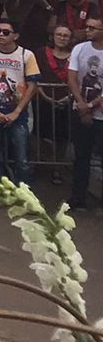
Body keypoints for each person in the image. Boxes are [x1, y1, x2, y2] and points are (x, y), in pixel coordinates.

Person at [0, 16, 41, 205]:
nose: (0, 35)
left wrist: (18, 111)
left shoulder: (26, 55)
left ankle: (24, 195)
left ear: (16, 35)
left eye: (6, 32)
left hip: (17, 112)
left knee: (21, 157)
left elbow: (32, 84)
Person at [67, 15, 103, 209]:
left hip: (100, 111)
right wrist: (81, 104)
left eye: (93, 28)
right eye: (87, 27)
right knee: (81, 155)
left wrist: (92, 106)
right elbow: (72, 77)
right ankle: (78, 196)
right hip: (81, 108)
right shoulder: (79, 49)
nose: (88, 30)